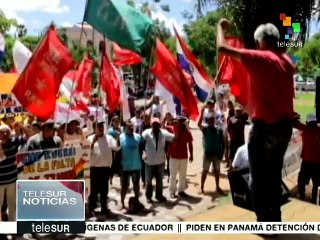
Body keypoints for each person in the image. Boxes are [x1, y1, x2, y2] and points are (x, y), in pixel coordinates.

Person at [217, 19, 294, 222]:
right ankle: (275, 220)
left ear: (260, 41)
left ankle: (265, 225)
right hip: (284, 128)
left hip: (264, 128)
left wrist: (221, 28)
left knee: (258, 179)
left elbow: (222, 48)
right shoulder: (287, 62)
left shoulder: (260, 58)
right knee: (274, 175)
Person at [87, 120, 120, 217]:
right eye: (99, 126)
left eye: (102, 126)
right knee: (93, 191)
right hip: (94, 169)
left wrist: (118, 139)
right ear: (94, 128)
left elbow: (116, 148)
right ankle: (91, 209)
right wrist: (92, 144)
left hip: (105, 168)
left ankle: (104, 208)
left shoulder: (109, 138)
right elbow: (86, 153)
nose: (101, 128)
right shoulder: (89, 139)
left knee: (104, 190)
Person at [142, 118, 175, 203]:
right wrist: (143, 154)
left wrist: (177, 126)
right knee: (148, 180)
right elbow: (141, 144)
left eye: (157, 124)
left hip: (160, 161)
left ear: (160, 125)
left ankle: (159, 195)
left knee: (159, 180)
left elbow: (174, 138)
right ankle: (148, 197)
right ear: (151, 125)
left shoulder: (164, 133)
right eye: (154, 124)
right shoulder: (146, 133)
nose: (155, 126)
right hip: (149, 161)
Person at [0, 125, 25, 221]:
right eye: (2, 132)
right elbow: (1, 159)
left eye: (7, 132)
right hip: (0, 182)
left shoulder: (14, 143)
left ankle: (11, 228)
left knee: (12, 205)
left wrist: (20, 126)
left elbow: (30, 135)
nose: (5, 134)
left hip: (12, 181)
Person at [198, 107, 225, 194]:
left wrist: (222, 153)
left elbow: (222, 142)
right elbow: (198, 124)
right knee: (205, 171)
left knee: (217, 171)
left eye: (212, 120)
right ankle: (202, 187)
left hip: (217, 154)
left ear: (214, 120)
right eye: (210, 120)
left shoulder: (219, 130)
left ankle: (217, 187)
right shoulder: (205, 129)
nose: (211, 121)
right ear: (208, 121)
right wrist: (201, 113)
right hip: (208, 154)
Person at [294, 114, 320, 203]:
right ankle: (314, 200)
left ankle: (301, 197)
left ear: (307, 122)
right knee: (316, 183)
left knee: (301, 180)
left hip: (307, 162)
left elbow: (294, 123)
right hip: (318, 163)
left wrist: (294, 116)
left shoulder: (305, 129)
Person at [119, 120, 142, 209]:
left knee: (136, 185)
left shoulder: (138, 137)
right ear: (125, 128)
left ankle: (137, 200)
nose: (131, 128)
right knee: (124, 186)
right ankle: (122, 203)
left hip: (136, 166)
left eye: (132, 127)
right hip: (125, 167)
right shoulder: (120, 137)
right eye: (129, 127)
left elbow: (142, 148)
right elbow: (117, 152)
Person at [168, 117, 193, 198]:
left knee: (183, 175)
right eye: (184, 122)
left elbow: (190, 143)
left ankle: (181, 191)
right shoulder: (173, 129)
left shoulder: (187, 131)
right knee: (173, 175)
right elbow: (165, 126)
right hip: (174, 156)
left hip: (184, 156)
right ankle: (172, 191)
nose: (186, 124)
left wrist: (191, 154)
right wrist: (170, 121)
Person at [107, 116, 122, 185]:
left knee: (119, 163)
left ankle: (122, 179)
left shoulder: (121, 129)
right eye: (115, 121)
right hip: (112, 149)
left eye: (118, 121)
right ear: (112, 122)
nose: (117, 123)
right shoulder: (110, 131)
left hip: (119, 148)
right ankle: (110, 177)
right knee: (113, 164)